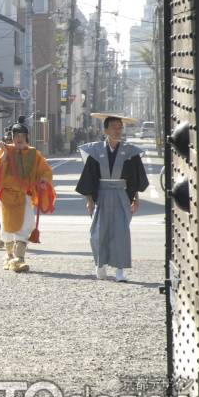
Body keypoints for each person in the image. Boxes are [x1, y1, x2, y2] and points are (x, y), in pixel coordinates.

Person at [75, 115, 149, 282]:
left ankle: (120, 270)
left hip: (122, 195)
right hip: (101, 195)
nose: (117, 130)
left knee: (121, 232)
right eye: (114, 127)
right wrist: (89, 200)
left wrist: (136, 198)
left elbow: (135, 178)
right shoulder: (95, 150)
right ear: (106, 130)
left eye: (120, 127)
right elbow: (89, 176)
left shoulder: (130, 151)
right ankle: (100, 265)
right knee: (98, 232)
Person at [0, 121, 56, 273]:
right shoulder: (4, 150)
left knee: (26, 224)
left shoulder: (34, 153)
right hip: (7, 197)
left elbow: (45, 170)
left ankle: (19, 259)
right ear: (12, 137)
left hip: (24, 196)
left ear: (26, 137)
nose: (19, 139)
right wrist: (4, 155)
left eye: (22, 135)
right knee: (7, 228)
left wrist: (44, 180)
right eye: (16, 136)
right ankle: (9, 256)